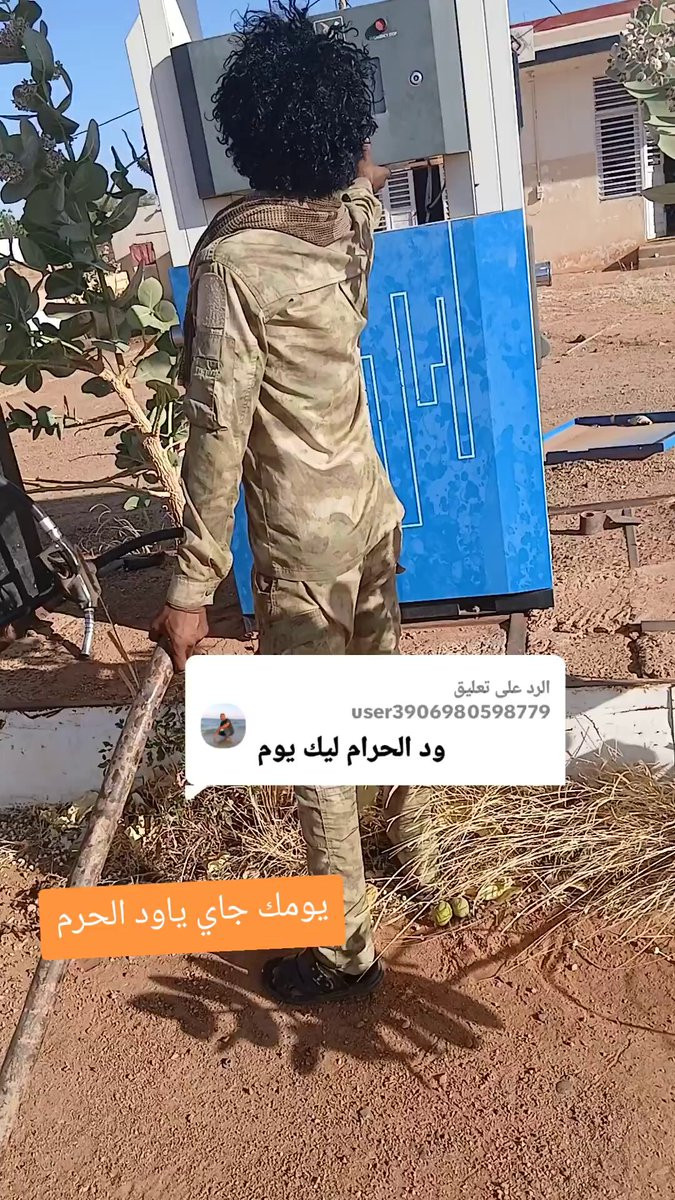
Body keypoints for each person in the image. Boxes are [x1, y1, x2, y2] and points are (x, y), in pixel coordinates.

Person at [150, 0, 436, 1006]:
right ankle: (419, 859)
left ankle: (344, 949)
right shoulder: (350, 222)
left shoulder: (234, 260)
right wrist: (352, 151)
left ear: (249, 131)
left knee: (322, 744)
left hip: (305, 551)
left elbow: (217, 433)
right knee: (382, 705)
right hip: (372, 515)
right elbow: (363, 174)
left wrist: (191, 588)